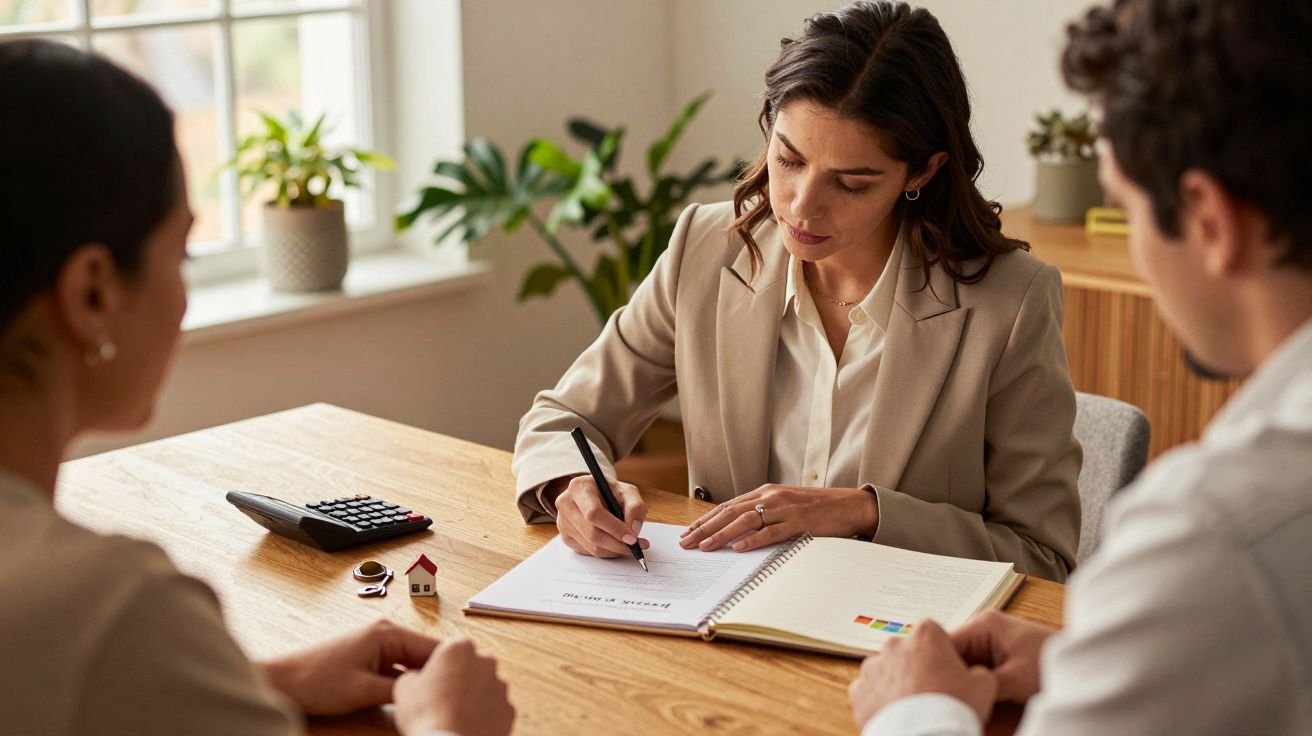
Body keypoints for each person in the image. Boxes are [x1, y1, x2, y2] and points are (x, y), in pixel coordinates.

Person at [0, 39, 514, 736]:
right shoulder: (111, 606)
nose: (184, 298)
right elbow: (94, 657)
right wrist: (448, 726)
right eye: (180, 254)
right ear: (91, 291)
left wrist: (255, 683)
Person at [849, 0, 1312, 732]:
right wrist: (1097, 659)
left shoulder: (1214, 531)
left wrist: (918, 709)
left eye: (1125, 210)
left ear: (1210, 223)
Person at [512, 1, 1082, 581]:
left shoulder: (1010, 303)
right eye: (788, 159)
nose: (801, 206)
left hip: (898, 640)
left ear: (922, 173)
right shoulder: (706, 251)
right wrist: (572, 485)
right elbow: (564, 417)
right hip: (721, 627)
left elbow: (1043, 557)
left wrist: (864, 513)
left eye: (851, 184)